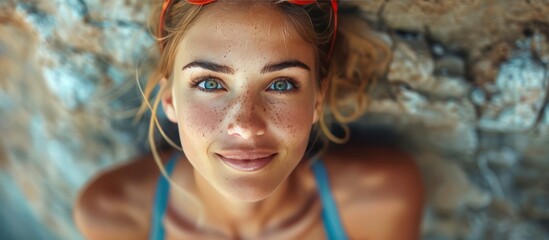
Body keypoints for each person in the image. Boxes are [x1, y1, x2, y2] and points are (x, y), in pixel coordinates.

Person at [73, 0, 425, 239]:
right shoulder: (113, 215)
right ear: (169, 100)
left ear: (317, 99)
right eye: (210, 83)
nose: (245, 124)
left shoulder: (380, 202)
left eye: (281, 84)